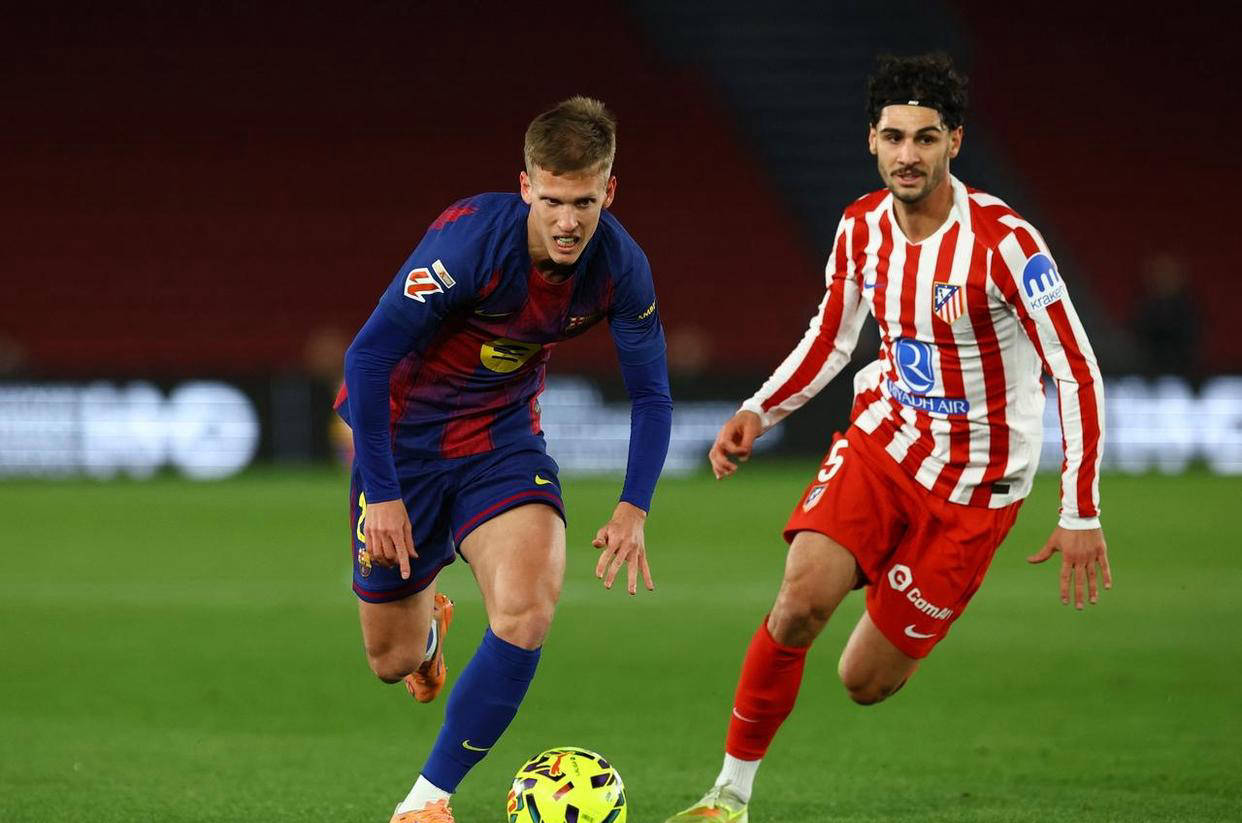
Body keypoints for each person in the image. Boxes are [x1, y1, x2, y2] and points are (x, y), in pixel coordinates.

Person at [664, 53, 1111, 822]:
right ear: (872, 139)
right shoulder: (860, 227)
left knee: (863, 680)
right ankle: (728, 795)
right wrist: (761, 409)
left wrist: (1080, 509)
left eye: (926, 138)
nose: (909, 155)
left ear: (954, 143)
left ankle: (898, 589)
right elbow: (833, 337)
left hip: (976, 487)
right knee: (799, 600)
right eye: (894, 137)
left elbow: (1077, 369)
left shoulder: (1006, 243)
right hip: (887, 443)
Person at [337, 96, 672, 823]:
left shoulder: (620, 267)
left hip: (501, 440)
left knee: (526, 611)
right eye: (551, 200)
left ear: (609, 191)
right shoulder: (468, 246)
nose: (567, 222)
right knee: (391, 661)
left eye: (584, 202)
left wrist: (633, 505)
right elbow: (366, 358)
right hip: (404, 445)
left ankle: (427, 800)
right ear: (526, 186)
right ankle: (428, 634)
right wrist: (384, 492)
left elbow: (651, 395)